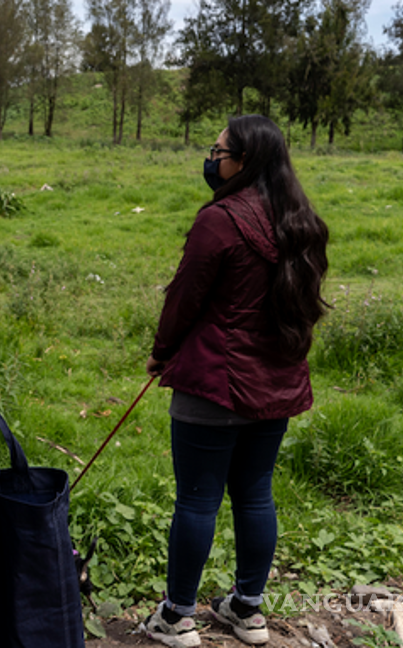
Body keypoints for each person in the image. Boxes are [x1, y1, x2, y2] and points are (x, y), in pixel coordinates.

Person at [139, 115, 330, 648]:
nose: (211, 158)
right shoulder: (300, 219)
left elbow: (184, 298)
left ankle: (177, 619)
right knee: (254, 494)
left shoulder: (219, 220)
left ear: (244, 162)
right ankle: (248, 611)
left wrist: (161, 353)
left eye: (218, 150)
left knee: (197, 501)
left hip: (214, 383)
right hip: (276, 384)